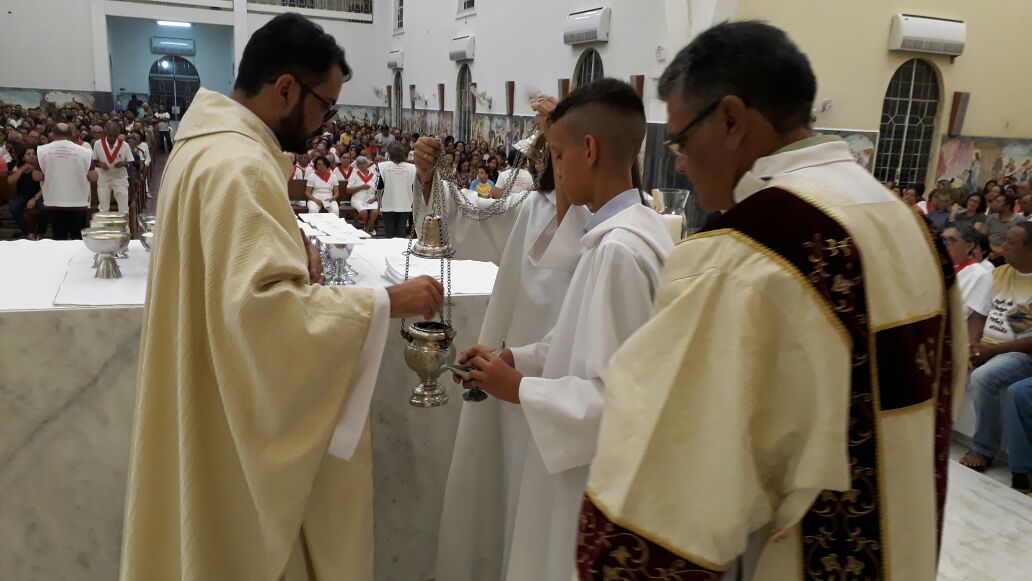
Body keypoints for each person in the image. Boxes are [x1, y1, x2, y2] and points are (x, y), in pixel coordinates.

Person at [577, 22, 963, 580]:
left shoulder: (750, 252)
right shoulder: (911, 227)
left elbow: (665, 498)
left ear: (732, 120)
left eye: (681, 141)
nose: (680, 163)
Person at [118, 14, 444, 581]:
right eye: (326, 105)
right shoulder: (240, 167)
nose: (325, 123)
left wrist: (295, 267)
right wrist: (389, 302)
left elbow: (234, 290)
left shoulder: (203, 148)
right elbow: (266, 318)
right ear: (287, 87)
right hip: (234, 437)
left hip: (209, 395)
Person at [456, 79, 673, 581]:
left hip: (590, 485)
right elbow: (582, 339)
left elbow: (621, 400)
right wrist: (520, 358)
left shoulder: (619, 251)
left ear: (589, 150)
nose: (555, 169)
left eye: (557, 154)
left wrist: (520, 389)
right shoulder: (634, 232)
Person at [424, 97, 593, 581]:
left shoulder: (611, 228)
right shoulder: (532, 207)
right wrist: (430, 179)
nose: (546, 160)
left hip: (563, 390)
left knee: (541, 520)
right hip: (514, 367)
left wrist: (564, 130)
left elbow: (570, 244)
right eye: (547, 151)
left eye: (557, 151)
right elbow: (471, 219)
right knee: (503, 499)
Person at [959, 221, 1032, 474]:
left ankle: (984, 448)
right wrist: (972, 345)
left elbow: (1026, 336)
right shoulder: (996, 274)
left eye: (1011, 242)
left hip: (1018, 353)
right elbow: (978, 315)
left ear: (1030, 250)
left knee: (983, 377)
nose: (1002, 246)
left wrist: (991, 351)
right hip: (986, 346)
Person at [36, 122, 95, 240]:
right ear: (71, 134)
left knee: (59, 237)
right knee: (77, 238)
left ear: (53, 134)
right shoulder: (84, 152)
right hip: (77, 201)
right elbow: (94, 177)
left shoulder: (43, 150)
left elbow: (37, 177)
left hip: (54, 201)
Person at [943, 225, 993, 334]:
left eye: (951, 240)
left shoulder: (980, 274)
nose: (945, 245)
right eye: (943, 240)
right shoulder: (943, 269)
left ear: (969, 246)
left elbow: (963, 314)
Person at [6, 147, 47, 239]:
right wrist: (23, 168)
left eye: (33, 154)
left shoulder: (41, 167)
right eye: (28, 154)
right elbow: (10, 181)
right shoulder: (18, 167)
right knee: (13, 206)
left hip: (38, 195)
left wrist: (35, 198)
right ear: (23, 157)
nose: (32, 156)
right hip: (23, 195)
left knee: (44, 208)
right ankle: (28, 232)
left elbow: (46, 185)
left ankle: (41, 232)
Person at [377, 141, 416, 238]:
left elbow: (379, 186)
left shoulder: (382, 166)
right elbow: (414, 187)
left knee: (389, 234)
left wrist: (378, 205)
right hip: (405, 203)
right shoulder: (412, 168)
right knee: (401, 233)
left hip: (388, 203)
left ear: (389, 152)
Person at [93, 120, 134, 213]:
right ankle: (104, 223)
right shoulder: (98, 144)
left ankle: (124, 223)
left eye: (114, 136)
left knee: (123, 208)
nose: (112, 138)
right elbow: (94, 161)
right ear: (106, 133)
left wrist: (124, 163)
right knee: (103, 208)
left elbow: (131, 162)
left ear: (118, 134)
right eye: (110, 135)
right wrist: (99, 164)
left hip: (120, 178)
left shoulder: (124, 145)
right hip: (103, 179)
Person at [985, 191, 1025, 255]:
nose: (994, 204)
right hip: (988, 248)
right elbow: (985, 235)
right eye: (995, 201)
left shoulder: (1020, 220)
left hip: (1006, 253)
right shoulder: (991, 217)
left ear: (1007, 206)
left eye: (998, 202)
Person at [347, 155, 379, 234]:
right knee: (364, 212)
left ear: (367, 164)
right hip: (357, 198)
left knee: (375, 211)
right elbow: (348, 190)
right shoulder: (354, 174)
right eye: (360, 164)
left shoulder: (374, 174)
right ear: (357, 165)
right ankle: (369, 227)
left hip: (371, 198)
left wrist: (374, 198)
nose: (362, 165)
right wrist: (361, 187)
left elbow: (379, 190)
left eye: (364, 163)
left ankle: (367, 229)